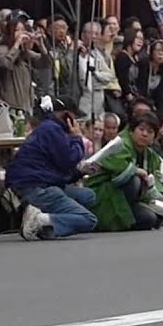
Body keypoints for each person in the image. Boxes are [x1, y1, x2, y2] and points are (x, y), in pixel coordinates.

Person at [10, 98, 97, 240]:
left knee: (88, 196)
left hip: (38, 183)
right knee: (88, 220)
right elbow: (69, 160)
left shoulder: (49, 128)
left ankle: (45, 224)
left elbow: (58, 171)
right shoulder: (52, 129)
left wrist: (80, 172)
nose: (77, 123)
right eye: (75, 118)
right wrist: (77, 138)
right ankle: (40, 220)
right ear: (66, 115)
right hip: (37, 187)